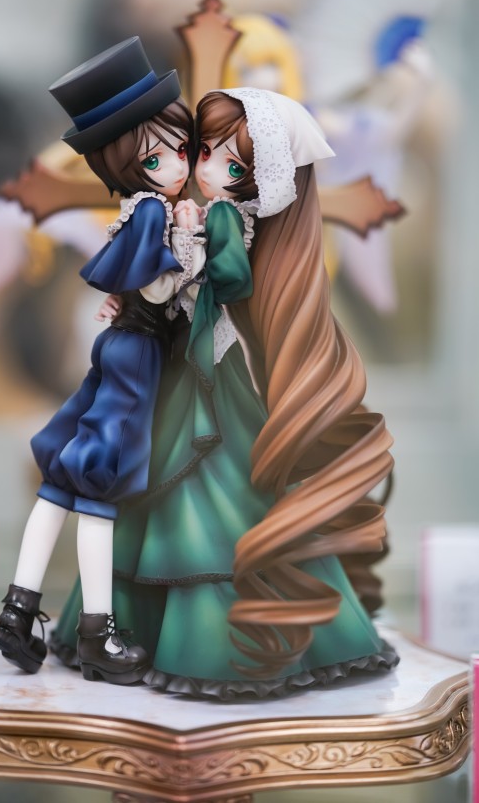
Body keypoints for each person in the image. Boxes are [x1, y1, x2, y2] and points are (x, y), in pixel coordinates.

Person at [52, 87, 398, 699]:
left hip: (210, 362)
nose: (206, 168)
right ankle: (117, 626)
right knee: (150, 478)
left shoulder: (225, 218)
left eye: (233, 166)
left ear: (260, 180)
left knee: (214, 478)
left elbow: (232, 280)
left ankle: (208, 639)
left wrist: (193, 250)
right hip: (173, 360)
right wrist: (135, 293)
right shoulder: (190, 211)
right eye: (205, 150)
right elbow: (157, 279)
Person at [0, 37, 194, 685]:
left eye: (180, 148)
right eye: (157, 156)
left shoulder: (136, 209)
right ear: (123, 164)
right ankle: (98, 635)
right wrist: (193, 266)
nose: (178, 163)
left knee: (61, 477)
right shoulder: (153, 213)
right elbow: (154, 288)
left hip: (117, 346)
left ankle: (17, 612)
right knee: (99, 490)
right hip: (137, 356)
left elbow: (118, 280)